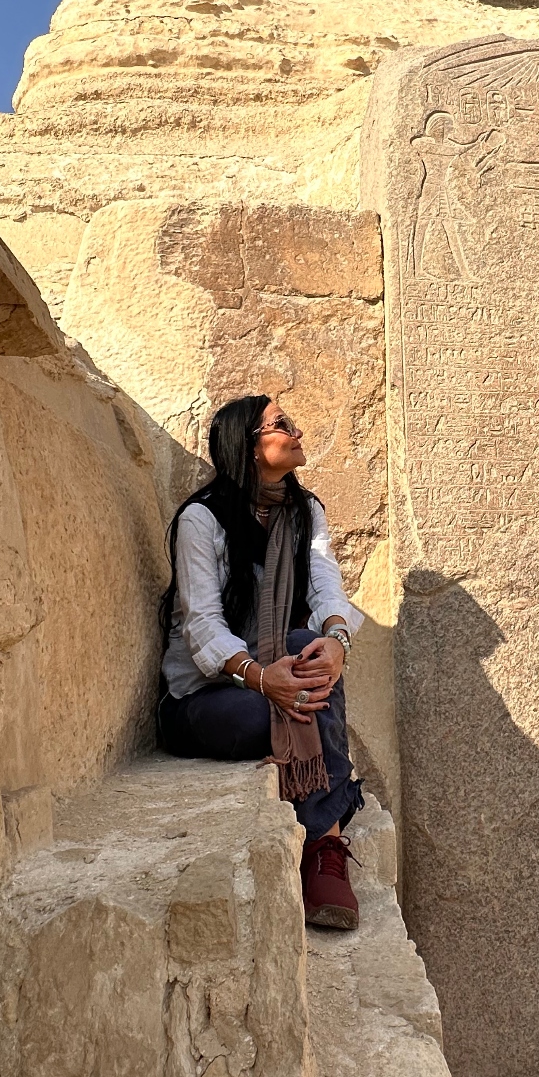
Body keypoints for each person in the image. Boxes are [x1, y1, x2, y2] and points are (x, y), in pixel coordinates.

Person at [158, 395, 365, 929]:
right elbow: (202, 624)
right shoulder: (201, 520)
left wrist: (338, 640)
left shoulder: (305, 512)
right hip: (205, 695)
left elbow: (326, 591)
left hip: (278, 672)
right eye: (280, 425)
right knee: (268, 711)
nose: (296, 431)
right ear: (247, 446)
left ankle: (322, 843)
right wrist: (256, 676)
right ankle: (327, 842)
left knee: (310, 644)